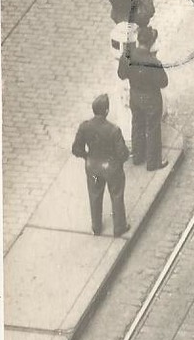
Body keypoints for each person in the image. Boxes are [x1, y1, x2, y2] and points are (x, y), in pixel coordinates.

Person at [71, 93, 130, 237]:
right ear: (106, 111)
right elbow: (123, 153)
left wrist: (87, 157)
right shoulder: (113, 130)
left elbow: (76, 149)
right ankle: (119, 227)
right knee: (116, 194)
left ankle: (96, 226)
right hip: (111, 168)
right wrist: (118, 161)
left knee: (95, 194)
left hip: (93, 168)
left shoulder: (84, 127)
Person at [117, 25, 169, 171]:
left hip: (135, 95)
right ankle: (153, 162)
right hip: (151, 98)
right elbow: (163, 82)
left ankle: (138, 156)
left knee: (137, 124)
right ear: (151, 42)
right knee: (153, 128)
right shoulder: (154, 62)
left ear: (138, 40)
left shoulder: (127, 57)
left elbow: (121, 74)